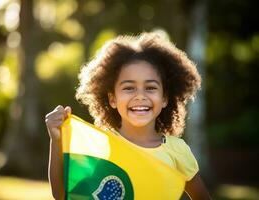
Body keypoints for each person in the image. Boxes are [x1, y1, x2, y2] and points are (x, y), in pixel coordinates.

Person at [45, 32, 211, 199]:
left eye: (150, 88)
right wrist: (56, 140)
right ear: (112, 99)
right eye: (129, 88)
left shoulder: (178, 151)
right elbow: (64, 195)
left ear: (165, 98)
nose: (140, 96)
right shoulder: (104, 145)